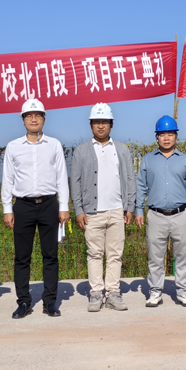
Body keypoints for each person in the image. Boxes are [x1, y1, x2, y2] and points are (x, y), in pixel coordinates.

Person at [1, 97, 70, 318]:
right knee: (22, 257)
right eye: (29, 115)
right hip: (23, 206)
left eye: (38, 115)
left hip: (49, 204)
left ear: (44, 119)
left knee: (50, 256)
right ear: (23, 120)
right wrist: (7, 209)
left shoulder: (54, 145)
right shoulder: (13, 147)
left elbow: (61, 177)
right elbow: (7, 179)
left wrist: (64, 206)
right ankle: (23, 302)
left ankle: (50, 302)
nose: (33, 119)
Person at [70, 103, 136, 312]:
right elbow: (75, 182)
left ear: (111, 124)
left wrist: (130, 207)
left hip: (117, 210)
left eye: (104, 122)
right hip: (92, 212)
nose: (101, 126)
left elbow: (129, 178)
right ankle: (96, 293)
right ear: (90, 125)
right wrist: (78, 210)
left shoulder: (121, 149)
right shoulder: (81, 151)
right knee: (94, 254)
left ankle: (113, 293)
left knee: (116, 254)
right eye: (97, 122)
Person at [135, 115, 186, 308]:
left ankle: (183, 292)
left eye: (170, 134)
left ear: (176, 137)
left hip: (181, 215)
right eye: (162, 134)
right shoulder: (148, 160)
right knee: (155, 257)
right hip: (156, 215)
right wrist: (138, 210)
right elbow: (141, 186)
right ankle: (155, 292)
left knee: (183, 256)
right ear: (157, 137)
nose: (166, 138)